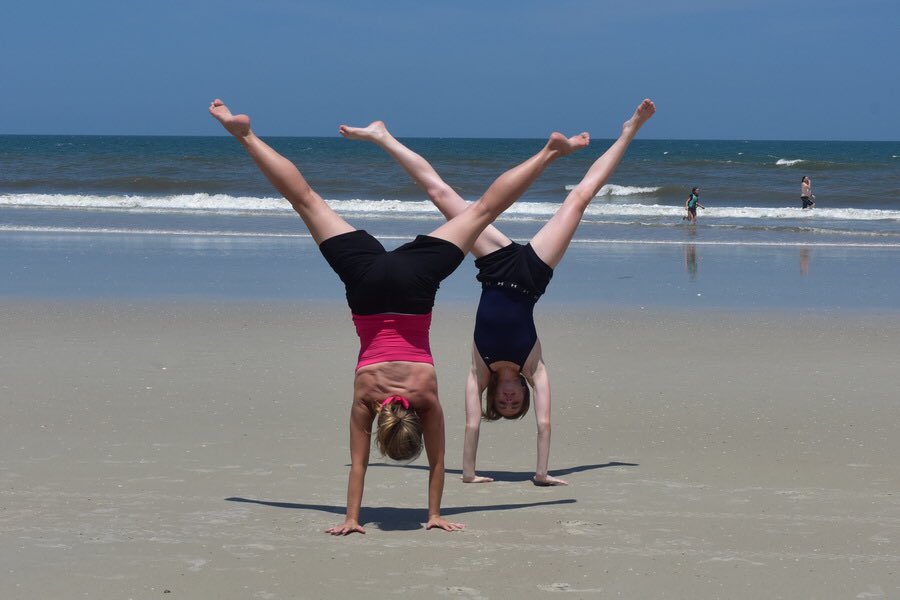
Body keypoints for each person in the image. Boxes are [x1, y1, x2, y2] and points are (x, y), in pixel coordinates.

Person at [209, 99, 588, 534]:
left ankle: (549, 152)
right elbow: (358, 467)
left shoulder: (426, 400)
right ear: (382, 430)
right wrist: (352, 518)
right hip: (366, 284)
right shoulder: (366, 399)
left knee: (482, 211)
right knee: (306, 200)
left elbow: (439, 465)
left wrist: (435, 515)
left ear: (414, 428)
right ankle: (245, 135)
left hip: (414, 285)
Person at [340, 99, 655, 486]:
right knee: (580, 198)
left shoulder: (479, 371)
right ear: (523, 392)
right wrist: (541, 473)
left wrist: (468, 473)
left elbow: (472, 424)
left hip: (494, 267)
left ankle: (383, 137)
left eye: (503, 405)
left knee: (442, 195)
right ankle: (628, 132)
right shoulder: (534, 369)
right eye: (515, 403)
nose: (508, 400)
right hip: (533, 274)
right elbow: (545, 423)